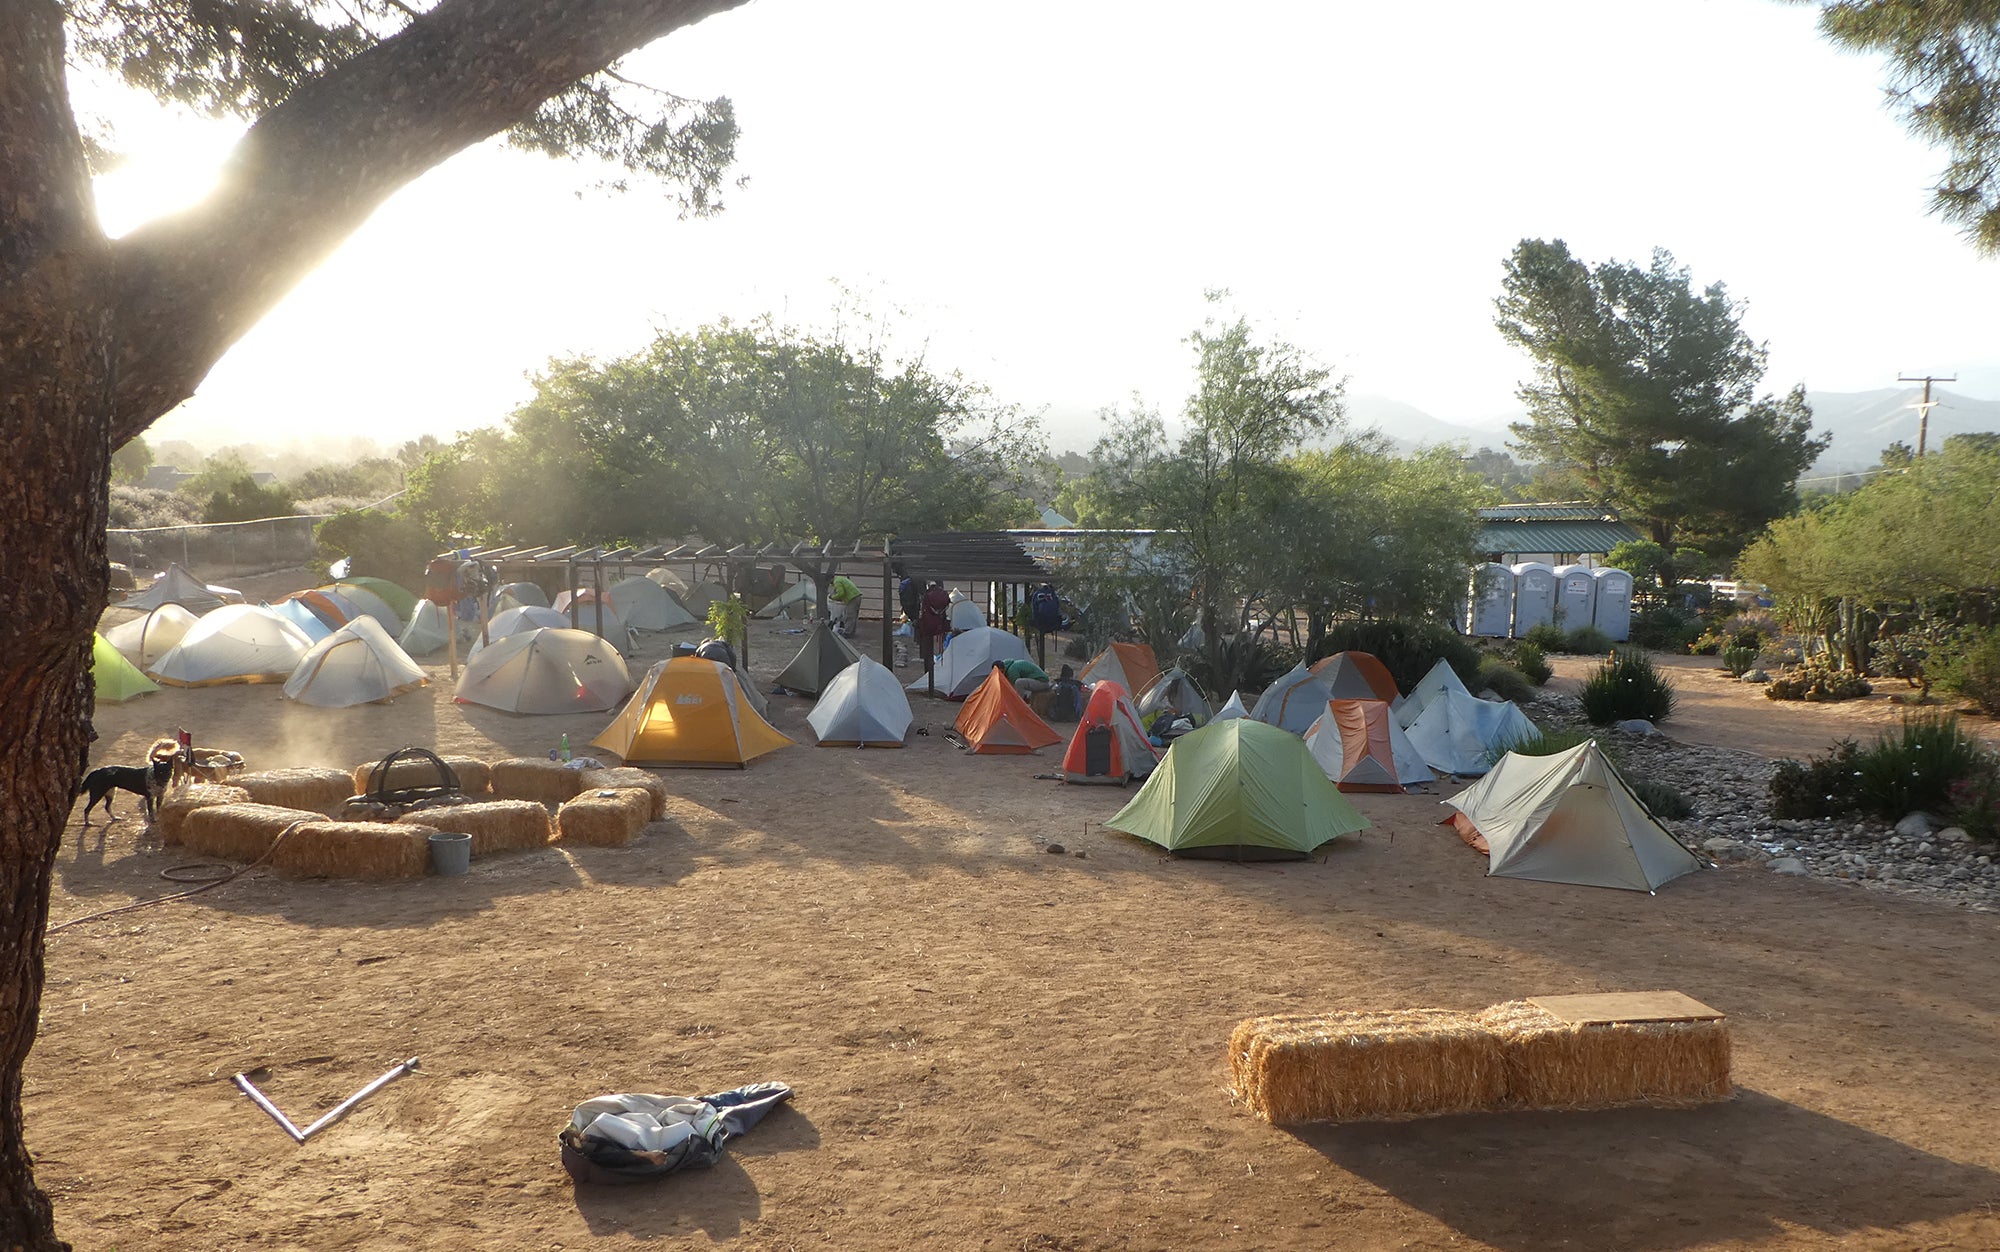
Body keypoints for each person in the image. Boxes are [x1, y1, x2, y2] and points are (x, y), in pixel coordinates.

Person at [918, 580, 951, 656]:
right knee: (939, 642)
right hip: (940, 623)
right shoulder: (943, 594)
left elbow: (923, 607)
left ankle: (927, 657)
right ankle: (939, 655)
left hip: (928, 623)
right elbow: (948, 603)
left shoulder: (927, 594)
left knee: (928, 643)